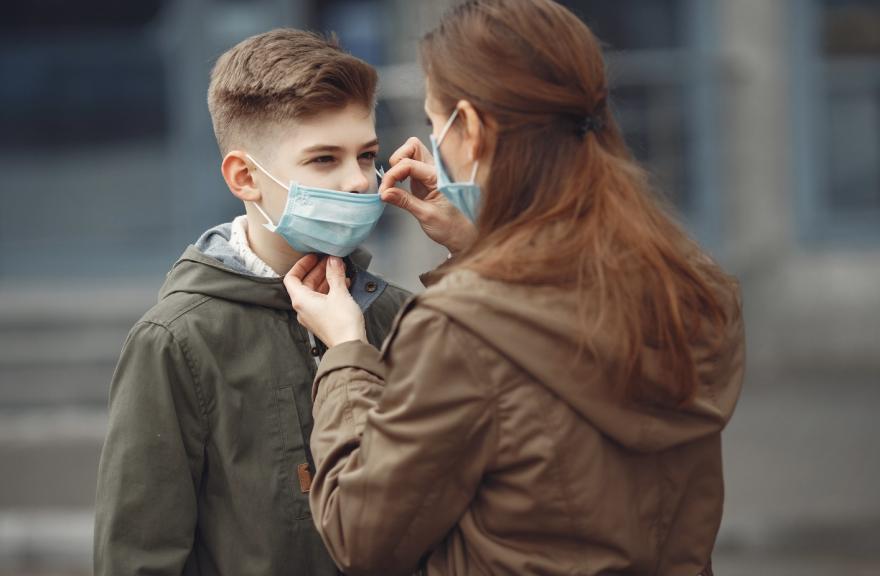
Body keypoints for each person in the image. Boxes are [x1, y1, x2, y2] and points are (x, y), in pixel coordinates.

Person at [283, 1, 744, 575]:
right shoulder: (686, 283)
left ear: (470, 129)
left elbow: (360, 533)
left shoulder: (463, 330)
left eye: (435, 123)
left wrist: (348, 355)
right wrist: (482, 246)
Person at [94, 29, 410, 576]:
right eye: (323, 159)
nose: (359, 181)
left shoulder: (399, 315)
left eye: (367, 155)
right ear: (246, 177)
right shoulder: (177, 340)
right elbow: (139, 555)